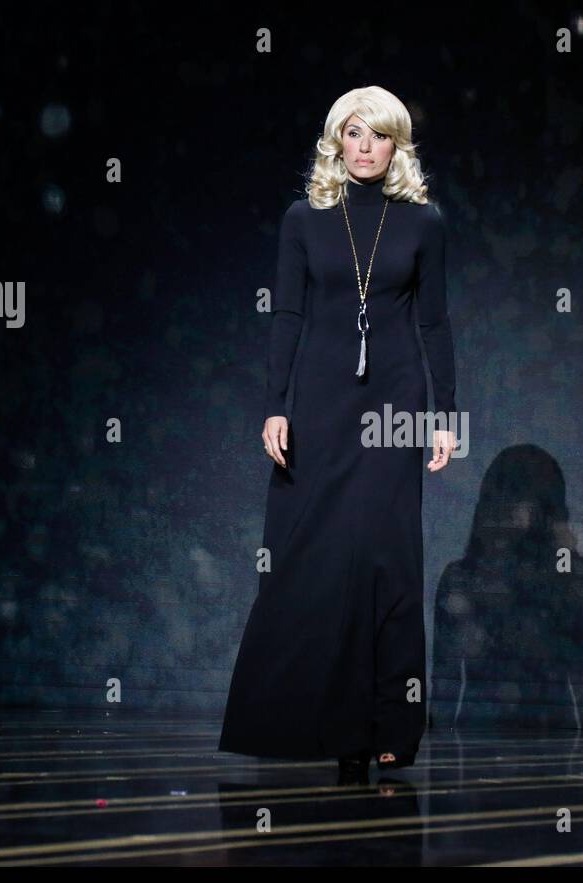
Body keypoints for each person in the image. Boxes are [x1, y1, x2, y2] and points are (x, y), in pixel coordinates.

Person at [218, 86, 458, 780]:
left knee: (387, 559)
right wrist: (275, 405)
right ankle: (330, 722)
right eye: (353, 133)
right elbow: (287, 316)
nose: (364, 146)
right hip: (319, 405)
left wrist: (444, 412)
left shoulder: (423, 224)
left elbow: (434, 324)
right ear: (335, 139)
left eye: (378, 136)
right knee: (313, 559)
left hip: (394, 405)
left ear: (396, 146)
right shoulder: (304, 219)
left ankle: (392, 723)